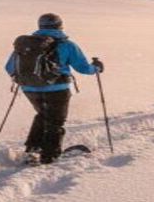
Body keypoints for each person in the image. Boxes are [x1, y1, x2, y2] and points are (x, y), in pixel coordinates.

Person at [6, 13, 103, 164]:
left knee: (43, 115)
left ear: (40, 26)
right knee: (55, 121)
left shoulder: (26, 45)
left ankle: (33, 149)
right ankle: (50, 155)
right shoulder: (67, 44)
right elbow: (83, 68)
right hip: (57, 89)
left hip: (29, 88)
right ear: (60, 26)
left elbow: (9, 67)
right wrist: (96, 68)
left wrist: (29, 78)